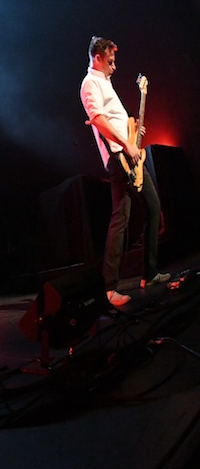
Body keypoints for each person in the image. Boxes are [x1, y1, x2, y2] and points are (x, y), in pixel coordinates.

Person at [79, 36, 169, 307]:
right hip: (119, 157)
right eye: (110, 61)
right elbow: (98, 120)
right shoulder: (90, 83)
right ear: (97, 58)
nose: (114, 66)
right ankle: (108, 288)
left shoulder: (106, 82)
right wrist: (126, 144)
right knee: (120, 218)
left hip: (130, 153)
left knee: (153, 206)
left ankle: (149, 272)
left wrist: (133, 130)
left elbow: (116, 119)